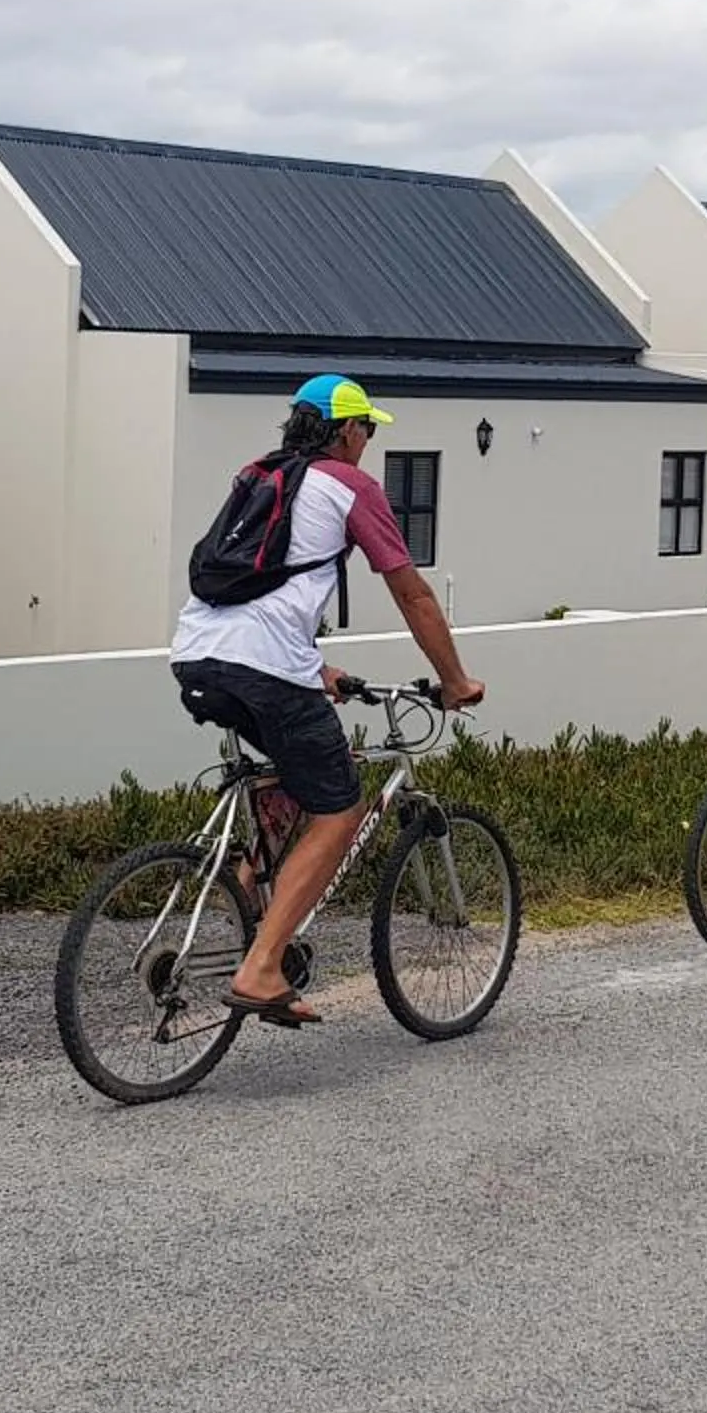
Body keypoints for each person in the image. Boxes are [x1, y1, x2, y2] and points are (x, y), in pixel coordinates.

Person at [169, 374, 484, 1028]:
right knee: (340, 808)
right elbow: (413, 594)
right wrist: (453, 679)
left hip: (197, 653)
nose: (368, 441)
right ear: (345, 429)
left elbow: (259, 590)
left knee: (293, 769)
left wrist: (316, 668)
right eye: (367, 428)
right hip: (265, 666)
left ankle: (246, 889)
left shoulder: (259, 476)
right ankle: (260, 968)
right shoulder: (351, 486)